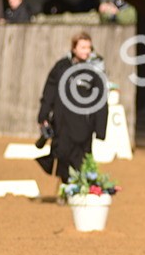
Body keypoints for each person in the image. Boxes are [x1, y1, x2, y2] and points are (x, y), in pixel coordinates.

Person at [35, 32, 109, 195]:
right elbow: (49, 92)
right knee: (61, 154)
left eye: (89, 47)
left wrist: (100, 128)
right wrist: (43, 116)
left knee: (80, 158)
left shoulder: (95, 70)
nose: (86, 51)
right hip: (61, 122)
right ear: (74, 48)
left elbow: (101, 100)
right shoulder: (61, 67)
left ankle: (76, 191)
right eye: (82, 47)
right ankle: (65, 186)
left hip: (84, 124)